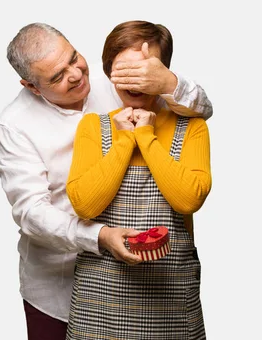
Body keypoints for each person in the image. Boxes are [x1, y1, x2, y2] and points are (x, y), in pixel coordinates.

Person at [0, 22, 213, 340]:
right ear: (31, 86)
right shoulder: (15, 125)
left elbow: (199, 110)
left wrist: (170, 81)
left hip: (155, 281)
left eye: (73, 57)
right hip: (58, 281)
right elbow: (31, 212)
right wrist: (101, 236)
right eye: (57, 76)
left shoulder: (115, 77)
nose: (75, 74)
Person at [65, 20, 212, 339]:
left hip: (169, 303)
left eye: (145, 69)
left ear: (163, 71)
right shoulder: (93, 127)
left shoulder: (192, 127)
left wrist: (145, 136)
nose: (135, 80)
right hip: (99, 302)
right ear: (108, 71)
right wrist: (123, 140)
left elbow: (188, 200)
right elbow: (85, 206)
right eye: (123, 70)